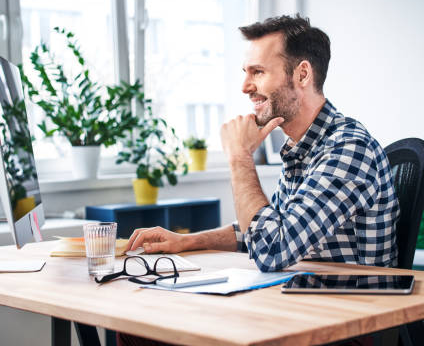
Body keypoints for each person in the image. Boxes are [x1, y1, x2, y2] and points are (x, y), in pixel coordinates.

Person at [126, 14, 400, 272]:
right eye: (246, 72)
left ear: (302, 74)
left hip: (353, 311)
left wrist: (239, 156)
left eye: (257, 72)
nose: (245, 86)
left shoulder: (348, 149)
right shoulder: (303, 148)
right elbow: (263, 230)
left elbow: (271, 249)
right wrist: (186, 241)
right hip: (307, 300)